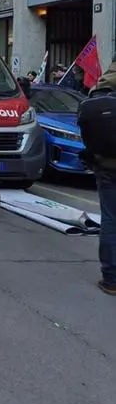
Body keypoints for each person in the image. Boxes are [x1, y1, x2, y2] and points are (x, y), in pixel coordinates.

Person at [80, 61, 116, 295]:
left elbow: (86, 134)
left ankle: (111, 279)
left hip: (105, 166)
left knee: (110, 221)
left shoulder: (96, 94)